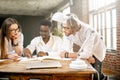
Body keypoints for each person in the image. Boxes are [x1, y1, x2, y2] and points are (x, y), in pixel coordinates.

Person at [52, 12, 106, 80]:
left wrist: (67, 55)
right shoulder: (68, 31)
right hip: (87, 49)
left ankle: (103, 78)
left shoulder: (88, 31)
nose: (64, 30)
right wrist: (67, 54)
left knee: (96, 73)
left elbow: (86, 53)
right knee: (88, 68)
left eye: (66, 28)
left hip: (97, 49)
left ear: (73, 28)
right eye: (63, 27)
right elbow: (66, 49)